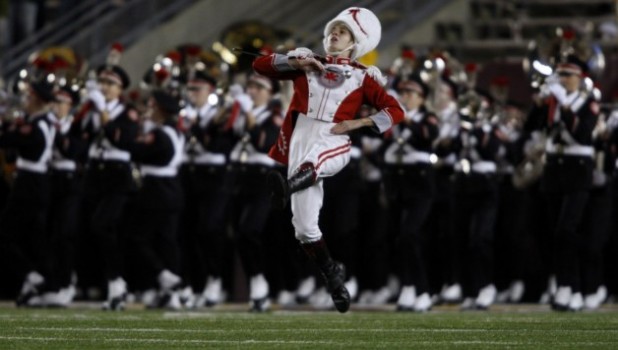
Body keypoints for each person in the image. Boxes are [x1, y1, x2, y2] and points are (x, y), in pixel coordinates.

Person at [253, 7, 404, 313]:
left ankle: (285, 185)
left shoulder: (364, 76)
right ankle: (332, 276)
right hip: (302, 135)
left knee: (317, 159)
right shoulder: (308, 62)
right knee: (305, 228)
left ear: (357, 40)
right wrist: (294, 60)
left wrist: (359, 124)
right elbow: (260, 65)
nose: (335, 34)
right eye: (334, 29)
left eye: (344, 31)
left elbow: (395, 110)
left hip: (334, 136)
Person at [525, 55, 599, 311]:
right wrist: (538, 105)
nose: (564, 80)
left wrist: (564, 104)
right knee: (556, 233)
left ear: (580, 78)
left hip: (578, 170)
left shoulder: (587, 103)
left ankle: (575, 287)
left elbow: (582, 134)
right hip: (554, 170)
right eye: (561, 75)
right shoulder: (552, 104)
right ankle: (565, 286)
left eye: (568, 75)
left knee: (568, 230)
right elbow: (530, 128)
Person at [75, 64, 138, 310]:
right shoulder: (92, 110)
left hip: (117, 176)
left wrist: (102, 110)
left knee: (104, 225)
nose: (104, 88)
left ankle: (117, 282)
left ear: (120, 88)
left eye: (110, 84)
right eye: (102, 83)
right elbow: (76, 137)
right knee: (93, 231)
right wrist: (85, 112)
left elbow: (122, 140)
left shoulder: (126, 112)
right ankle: (110, 285)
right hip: (94, 175)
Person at [381, 74, 439, 312]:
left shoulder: (428, 117)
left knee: (410, 234)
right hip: (397, 181)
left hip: (420, 183)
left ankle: (423, 289)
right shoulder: (395, 119)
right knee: (399, 237)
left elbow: (427, 137)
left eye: (410, 94)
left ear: (421, 98)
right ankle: (407, 286)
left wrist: (403, 118)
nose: (405, 97)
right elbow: (382, 144)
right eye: (403, 93)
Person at [229, 74, 282, 311]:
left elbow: (263, 143)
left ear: (270, 93)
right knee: (239, 233)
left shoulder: (274, 116)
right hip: (240, 175)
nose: (252, 91)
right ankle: (256, 280)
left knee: (251, 229)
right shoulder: (241, 114)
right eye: (250, 86)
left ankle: (261, 280)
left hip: (263, 178)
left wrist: (248, 113)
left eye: (259, 87)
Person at [127, 90, 185, 309]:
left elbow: (136, 150)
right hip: (172, 189)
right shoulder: (176, 132)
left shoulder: (160, 134)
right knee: (167, 241)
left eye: (151, 106)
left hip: (156, 191)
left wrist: (136, 132)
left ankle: (164, 276)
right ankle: (170, 292)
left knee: (138, 237)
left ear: (160, 110)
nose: (147, 110)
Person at [0, 80, 56, 306]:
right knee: (35, 238)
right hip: (36, 183)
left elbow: (6, 140)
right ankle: (41, 285)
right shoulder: (39, 122)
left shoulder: (35, 125)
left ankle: (33, 276)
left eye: (28, 96)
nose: (24, 100)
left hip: (30, 183)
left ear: (37, 100)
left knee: (5, 234)